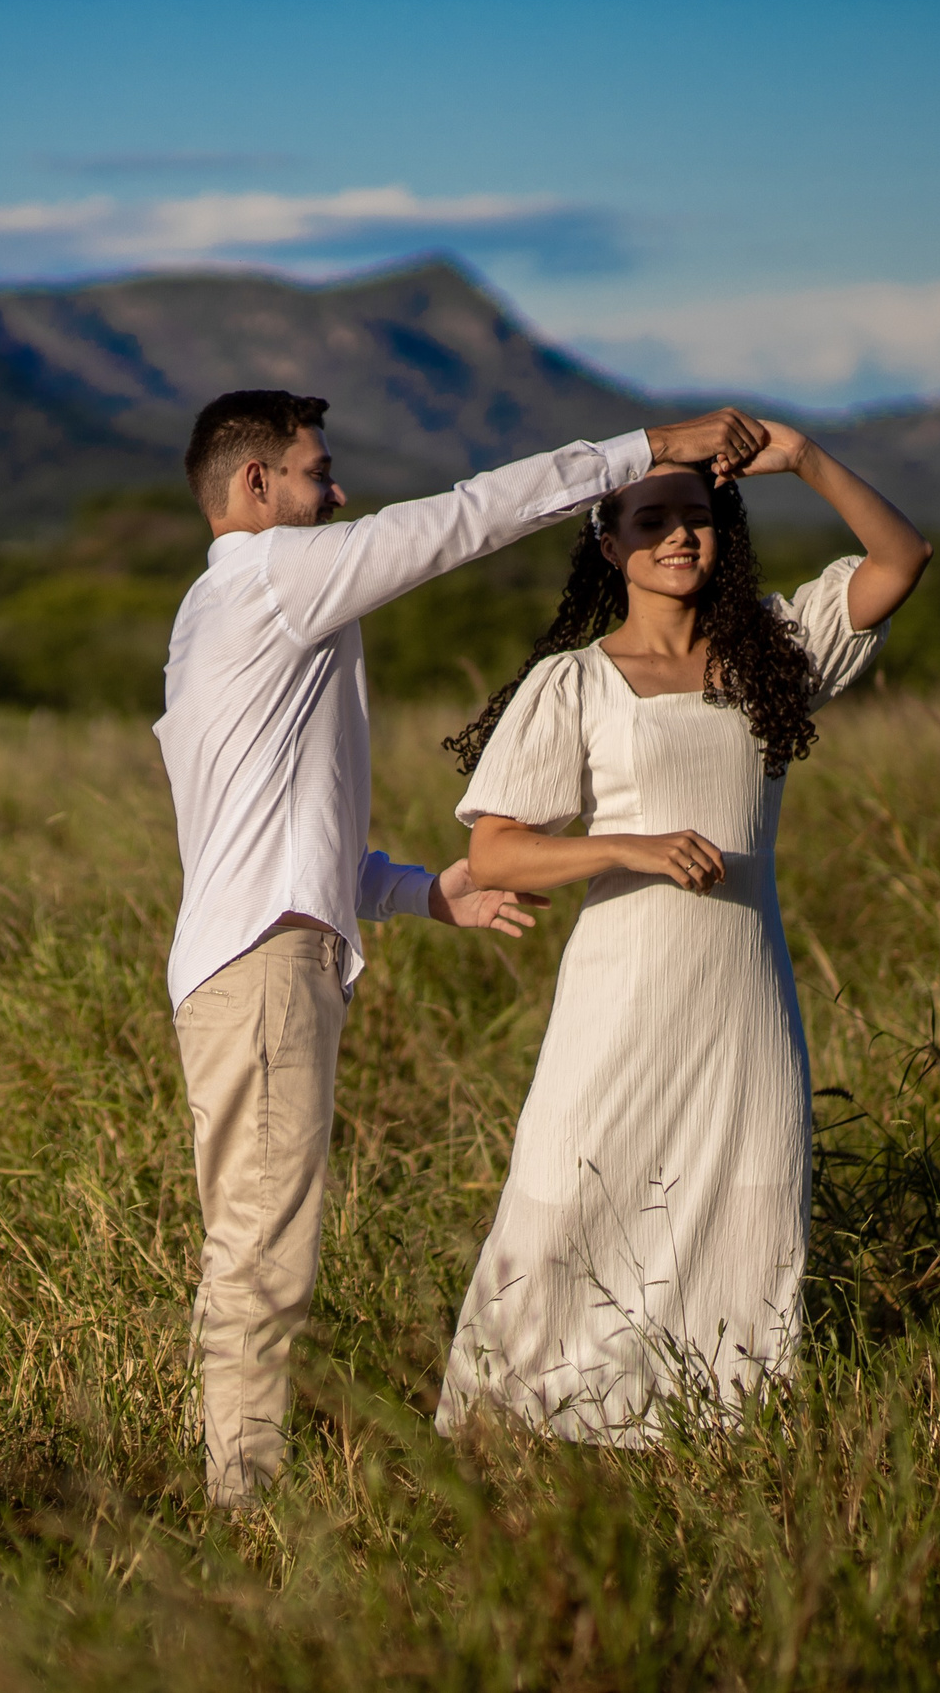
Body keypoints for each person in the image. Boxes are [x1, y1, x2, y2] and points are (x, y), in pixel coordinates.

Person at [157, 389, 776, 1505]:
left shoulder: (231, 612)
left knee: (259, 1242)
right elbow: (469, 516)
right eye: (317, 472)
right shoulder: (270, 578)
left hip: (264, 952)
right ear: (256, 487)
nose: (338, 494)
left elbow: (266, 831)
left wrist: (415, 892)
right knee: (260, 1253)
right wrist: (649, 448)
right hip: (260, 971)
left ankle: (242, 1488)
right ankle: (239, 1510)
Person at [430, 418, 932, 1446]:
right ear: (607, 545)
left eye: (696, 518)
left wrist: (803, 460)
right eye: (649, 520)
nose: (676, 537)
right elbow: (496, 853)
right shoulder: (573, 680)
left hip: (743, 993)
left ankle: (713, 1423)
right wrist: (629, 846)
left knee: (749, 1199)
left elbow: (899, 559)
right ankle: (520, 1425)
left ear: (723, 531)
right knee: (572, 1193)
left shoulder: (772, 651)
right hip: (621, 991)